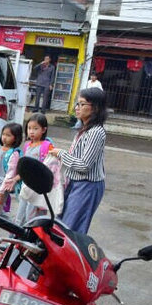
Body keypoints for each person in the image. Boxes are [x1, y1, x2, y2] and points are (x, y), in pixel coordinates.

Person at [49, 88, 108, 233]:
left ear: (95, 108)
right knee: (62, 223)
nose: (77, 108)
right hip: (75, 183)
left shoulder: (95, 132)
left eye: (82, 104)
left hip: (87, 185)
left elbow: (84, 165)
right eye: (77, 104)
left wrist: (61, 154)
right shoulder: (85, 129)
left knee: (71, 228)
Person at [14, 113, 55, 226]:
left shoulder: (47, 146)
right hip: (26, 186)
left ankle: (30, 238)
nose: (31, 131)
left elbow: (52, 165)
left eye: (35, 128)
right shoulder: (27, 145)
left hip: (37, 189)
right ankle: (16, 236)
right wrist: (16, 178)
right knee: (20, 212)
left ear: (43, 130)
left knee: (32, 215)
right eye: (29, 128)